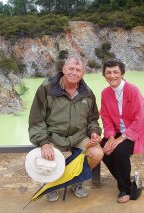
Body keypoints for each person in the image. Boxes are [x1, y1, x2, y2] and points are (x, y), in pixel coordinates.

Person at [28, 55, 103, 202]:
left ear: (83, 73)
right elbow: (36, 119)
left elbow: (93, 119)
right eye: (71, 68)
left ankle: (76, 181)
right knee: (48, 157)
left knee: (97, 153)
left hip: (79, 136)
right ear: (63, 69)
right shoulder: (46, 89)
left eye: (78, 70)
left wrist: (94, 132)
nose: (74, 72)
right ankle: (51, 183)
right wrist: (44, 142)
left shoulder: (87, 93)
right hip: (53, 136)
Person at [100, 58, 144, 203]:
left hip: (137, 131)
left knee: (119, 151)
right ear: (104, 75)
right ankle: (128, 181)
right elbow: (105, 117)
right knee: (104, 149)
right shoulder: (105, 93)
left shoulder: (132, 90)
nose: (112, 76)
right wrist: (111, 137)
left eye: (115, 72)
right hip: (117, 132)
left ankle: (124, 189)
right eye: (108, 72)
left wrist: (122, 138)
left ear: (122, 73)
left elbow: (141, 119)